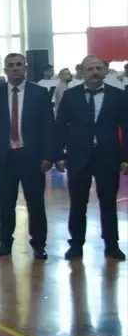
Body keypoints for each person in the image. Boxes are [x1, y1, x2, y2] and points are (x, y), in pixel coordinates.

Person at [55, 55, 127, 261]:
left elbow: (127, 127)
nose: (95, 72)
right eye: (90, 69)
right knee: (78, 202)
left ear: (105, 70)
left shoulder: (119, 96)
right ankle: (76, 244)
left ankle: (112, 245)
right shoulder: (70, 96)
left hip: (108, 156)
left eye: (98, 68)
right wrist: (59, 154)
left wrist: (126, 157)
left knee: (108, 202)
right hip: (78, 156)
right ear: (82, 72)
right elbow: (60, 126)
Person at [0, 53, 53, 260]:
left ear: (26, 68)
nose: (15, 68)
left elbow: (49, 127)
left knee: (36, 202)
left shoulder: (39, 94)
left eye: (19, 65)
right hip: (4, 158)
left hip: (32, 157)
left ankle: (39, 244)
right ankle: (5, 243)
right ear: (5, 70)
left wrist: (48, 156)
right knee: (6, 203)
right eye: (11, 65)